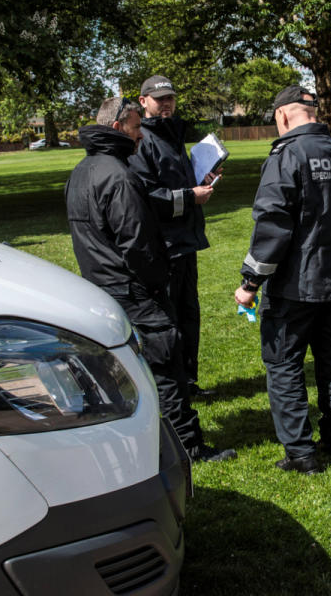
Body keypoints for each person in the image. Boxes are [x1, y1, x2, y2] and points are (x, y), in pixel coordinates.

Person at [65, 96, 236, 463]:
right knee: (167, 364)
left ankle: (126, 443)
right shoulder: (119, 176)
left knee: (118, 371)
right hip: (132, 287)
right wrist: (157, 284)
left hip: (101, 286)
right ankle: (188, 448)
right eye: (135, 126)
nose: (141, 134)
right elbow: (137, 243)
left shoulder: (82, 171)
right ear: (117, 128)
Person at [234, 85, 331, 475]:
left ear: (282, 116)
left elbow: (273, 225)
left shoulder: (287, 155)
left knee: (284, 363)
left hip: (296, 283)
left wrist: (250, 283)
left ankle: (301, 452)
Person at [129, 75, 217, 398]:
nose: (166, 104)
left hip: (187, 243)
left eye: (170, 98)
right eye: (159, 98)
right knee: (170, 320)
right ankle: (173, 387)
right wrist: (189, 196)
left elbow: (177, 178)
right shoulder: (142, 139)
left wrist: (201, 178)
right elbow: (148, 195)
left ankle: (189, 383)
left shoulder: (173, 133)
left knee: (189, 315)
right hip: (164, 246)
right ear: (143, 102)